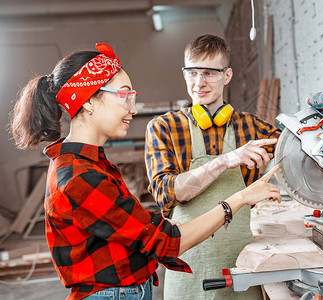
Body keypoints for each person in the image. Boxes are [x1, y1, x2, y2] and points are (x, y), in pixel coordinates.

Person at [9, 43, 281, 300]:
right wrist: (241, 198)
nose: (133, 108)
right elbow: (169, 242)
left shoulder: (91, 164)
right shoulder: (80, 176)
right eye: (125, 95)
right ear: (89, 101)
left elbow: (129, 228)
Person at [145, 34, 281, 300]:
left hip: (241, 267)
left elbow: (293, 147)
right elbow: (168, 192)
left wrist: (318, 131)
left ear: (227, 75)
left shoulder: (250, 127)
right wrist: (228, 159)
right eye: (192, 72)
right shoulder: (163, 128)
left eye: (209, 73)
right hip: (188, 273)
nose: (199, 82)